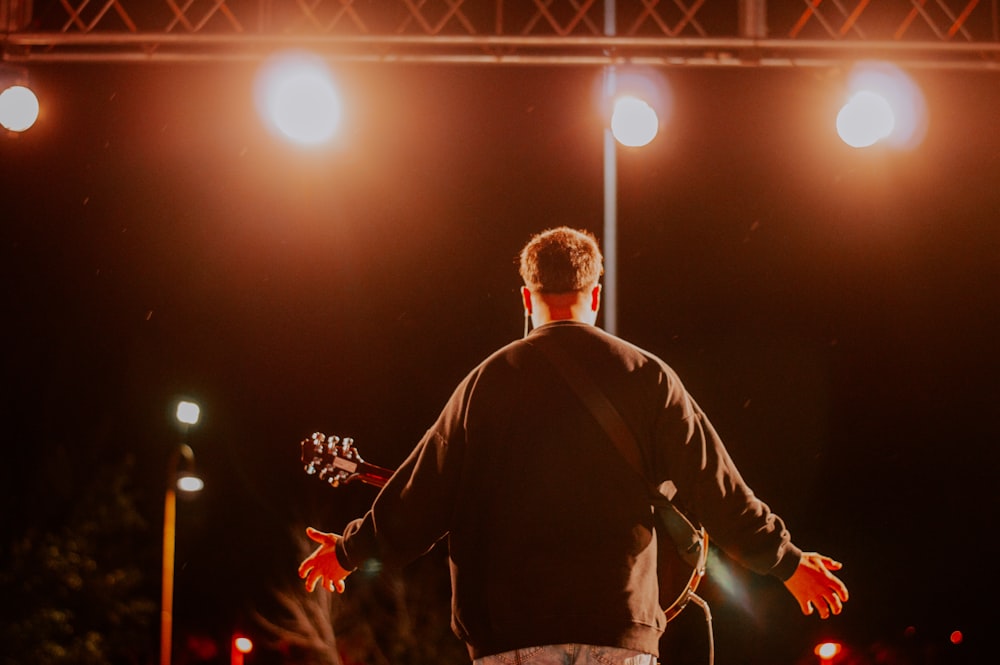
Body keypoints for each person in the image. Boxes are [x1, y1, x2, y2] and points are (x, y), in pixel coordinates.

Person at [299, 227, 848, 665]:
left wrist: (347, 552)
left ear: (525, 296)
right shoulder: (648, 378)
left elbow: (417, 499)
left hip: (511, 637)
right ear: (595, 295)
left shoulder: (486, 384)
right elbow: (717, 487)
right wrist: (787, 563)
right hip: (617, 632)